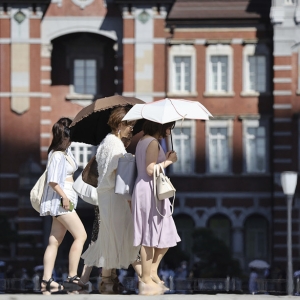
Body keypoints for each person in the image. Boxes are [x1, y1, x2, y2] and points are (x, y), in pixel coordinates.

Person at [81, 107, 141, 294]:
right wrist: (129, 159)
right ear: (120, 124)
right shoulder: (115, 145)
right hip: (115, 197)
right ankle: (147, 279)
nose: (131, 129)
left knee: (109, 239)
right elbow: (118, 172)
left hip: (105, 196)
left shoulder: (105, 143)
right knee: (126, 237)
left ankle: (107, 283)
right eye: (129, 125)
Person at [132, 120, 181, 295]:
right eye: (168, 127)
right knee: (149, 235)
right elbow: (151, 169)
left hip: (150, 190)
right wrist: (169, 161)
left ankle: (152, 270)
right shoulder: (152, 142)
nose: (169, 131)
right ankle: (146, 277)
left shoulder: (144, 141)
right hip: (149, 190)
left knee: (165, 231)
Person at [39, 117, 87, 292]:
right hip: (62, 200)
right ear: (65, 135)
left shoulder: (65, 152)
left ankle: (46, 280)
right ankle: (72, 276)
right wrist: (64, 197)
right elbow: (53, 181)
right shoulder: (58, 155)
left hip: (64, 199)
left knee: (54, 241)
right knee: (81, 235)